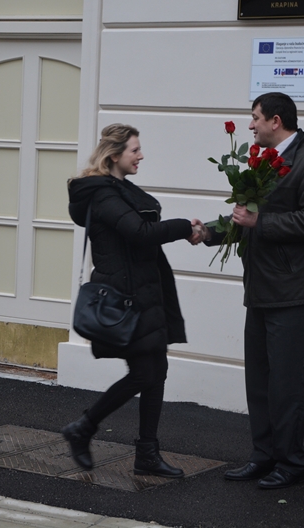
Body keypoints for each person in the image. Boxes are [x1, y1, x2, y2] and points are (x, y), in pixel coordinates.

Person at [191, 92, 304, 489]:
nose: (250, 125)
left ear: (276, 120)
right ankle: (264, 456)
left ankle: (291, 463)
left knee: (287, 383)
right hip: (261, 287)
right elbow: (246, 215)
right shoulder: (263, 161)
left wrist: (261, 224)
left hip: (294, 290)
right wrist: (209, 233)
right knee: (259, 381)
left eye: (255, 118)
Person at [63, 123, 203, 477]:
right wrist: (184, 227)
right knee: (144, 373)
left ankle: (147, 454)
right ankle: (83, 428)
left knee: (157, 371)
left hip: (144, 293)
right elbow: (140, 233)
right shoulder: (103, 194)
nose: (141, 156)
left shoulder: (119, 189)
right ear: (114, 155)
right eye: (134, 150)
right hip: (127, 299)